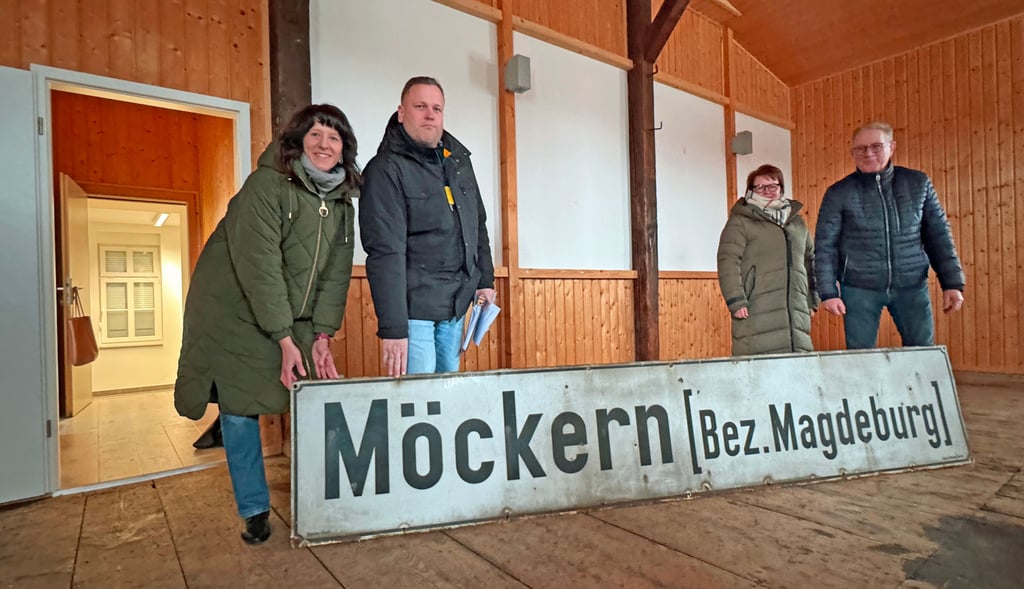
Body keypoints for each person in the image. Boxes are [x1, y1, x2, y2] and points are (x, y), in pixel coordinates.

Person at [174, 104, 360, 544]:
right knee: (240, 408)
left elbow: (335, 274)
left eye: (334, 138)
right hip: (236, 314)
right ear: (296, 142)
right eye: (315, 135)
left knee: (312, 402)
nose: (324, 145)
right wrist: (282, 337)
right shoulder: (265, 186)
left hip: (292, 313)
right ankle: (254, 509)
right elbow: (260, 267)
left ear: (343, 149)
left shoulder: (341, 205)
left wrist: (320, 335)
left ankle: (324, 500)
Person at [360, 76, 496, 377]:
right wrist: (394, 328)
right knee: (418, 404)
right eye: (420, 106)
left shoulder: (458, 164)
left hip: (455, 309)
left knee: (446, 399)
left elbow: (478, 225)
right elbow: (384, 252)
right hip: (413, 313)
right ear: (401, 112)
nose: (429, 114)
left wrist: (485, 279)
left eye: (436, 107)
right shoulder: (385, 169)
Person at [814, 121, 965, 349]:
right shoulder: (838, 193)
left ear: (891, 147)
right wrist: (828, 292)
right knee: (860, 358)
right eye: (860, 149)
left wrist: (952, 283)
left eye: (876, 146)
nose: (868, 153)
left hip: (912, 286)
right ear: (852, 152)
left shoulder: (918, 183)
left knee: (921, 353)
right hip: (858, 288)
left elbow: (939, 236)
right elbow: (825, 246)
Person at [717, 164, 818, 356]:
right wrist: (736, 300)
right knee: (758, 365)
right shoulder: (741, 221)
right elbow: (728, 260)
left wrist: (813, 300)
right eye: (761, 187)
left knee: (798, 365)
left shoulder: (796, 222)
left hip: (796, 307)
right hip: (756, 305)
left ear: (781, 188)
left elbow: (810, 260)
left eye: (773, 185)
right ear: (751, 190)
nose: (768, 191)